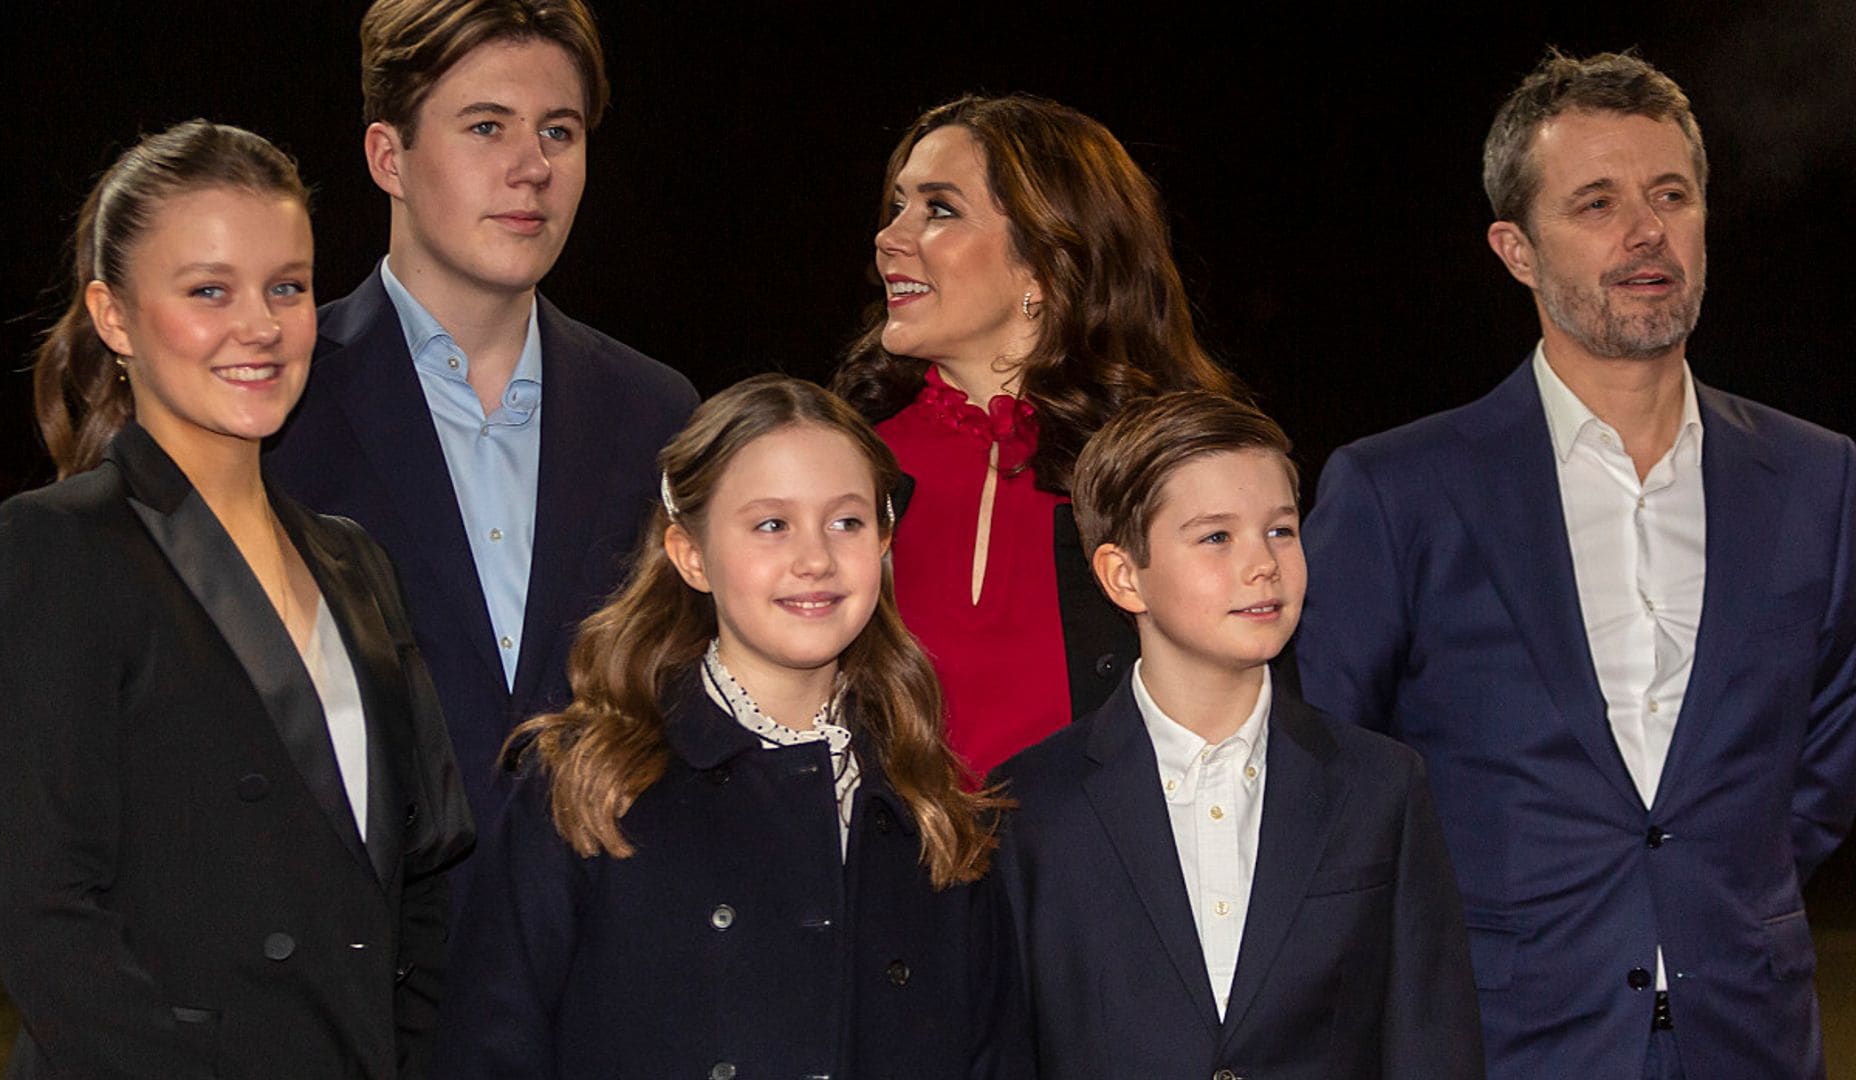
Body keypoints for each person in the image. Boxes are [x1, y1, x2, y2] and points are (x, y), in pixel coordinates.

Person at [1295, 50, 1856, 1079]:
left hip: (1751, 1029)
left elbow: (1830, 746)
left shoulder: (1820, 478)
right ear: (1516, 250)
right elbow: (1332, 763)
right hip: (1498, 1035)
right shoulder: (1399, 490)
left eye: (1671, 196)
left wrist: (1722, 881)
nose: (1647, 231)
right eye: (1596, 203)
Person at [0, 120, 474, 1078]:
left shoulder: (356, 562)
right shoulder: (57, 551)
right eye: (208, 291)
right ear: (115, 318)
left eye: (287, 286)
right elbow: (45, 921)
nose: (262, 326)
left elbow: (424, 873)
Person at [429, 374, 1025, 1078]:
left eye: (847, 522)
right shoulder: (589, 783)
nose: (815, 560)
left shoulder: (931, 805)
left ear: (885, 540)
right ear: (690, 554)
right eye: (771, 524)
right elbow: (487, 1050)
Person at [265, 0, 698, 863]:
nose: (531, 167)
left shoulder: (658, 413)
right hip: (364, 963)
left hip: (599, 960)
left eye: (559, 132)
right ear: (389, 156)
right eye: (487, 126)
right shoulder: (282, 406)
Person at [991, 391, 1481, 1079]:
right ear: (1124, 576)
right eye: (1217, 536)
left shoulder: (1381, 784)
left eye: (1280, 530)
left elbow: (1431, 1040)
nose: (1263, 564)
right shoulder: (1032, 803)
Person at [832, 93, 1242, 776]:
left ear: (1045, 266)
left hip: (1100, 877)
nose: (889, 237)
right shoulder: (840, 456)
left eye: (939, 209)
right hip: (885, 875)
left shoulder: (1170, 472)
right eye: (897, 206)